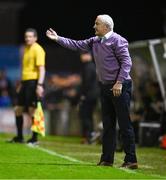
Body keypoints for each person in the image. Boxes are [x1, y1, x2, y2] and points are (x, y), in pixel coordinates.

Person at [46, 14, 138, 169]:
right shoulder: (95, 41)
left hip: (119, 86)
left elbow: (127, 62)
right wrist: (58, 39)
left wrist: (119, 82)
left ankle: (131, 159)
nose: (94, 26)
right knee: (107, 124)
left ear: (106, 26)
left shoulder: (118, 40)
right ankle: (107, 159)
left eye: (97, 24)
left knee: (124, 124)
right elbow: (75, 44)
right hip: (105, 86)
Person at [10, 28, 46, 144]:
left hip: (33, 82)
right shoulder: (25, 49)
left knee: (32, 110)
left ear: (35, 38)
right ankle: (19, 137)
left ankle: (34, 138)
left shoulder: (38, 49)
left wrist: (39, 85)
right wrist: (21, 83)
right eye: (26, 36)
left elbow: (42, 69)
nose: (27, 38)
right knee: (18, 109)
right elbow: (24, 68)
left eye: (30, 36)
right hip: (25, 82)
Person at [79, 52, 99, 144]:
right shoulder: (93, 66)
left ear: (88, 56)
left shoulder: (88, 66)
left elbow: (86, 82)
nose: (81, 57)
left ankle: (89, 135)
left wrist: (83, 94)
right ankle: (90, 135)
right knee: (89, 115)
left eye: (83, 55)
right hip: (94, 94)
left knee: (85, 115)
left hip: (89, 95)